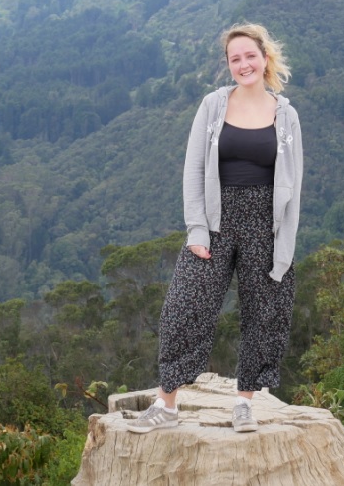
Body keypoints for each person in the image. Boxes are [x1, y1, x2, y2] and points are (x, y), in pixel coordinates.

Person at [129, 22, 304, 434]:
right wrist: (196, 228)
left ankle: (245, 402)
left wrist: (286, 242)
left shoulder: (287, 115)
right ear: (229, 65)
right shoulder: (213, 105)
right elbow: (193, 167)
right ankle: (167, 403)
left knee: (266, 313)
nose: (243, 64)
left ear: (265, 58)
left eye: (250, 56)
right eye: (235, 58)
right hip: (215, 221)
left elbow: (294, 183)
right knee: (184, 307)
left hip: (266, 224)